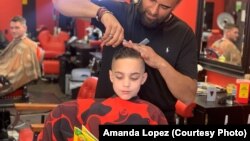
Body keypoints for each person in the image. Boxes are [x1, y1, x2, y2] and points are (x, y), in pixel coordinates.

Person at [52, 0, 198, 124]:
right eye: (151, 0)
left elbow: (188, 95)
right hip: (106, 118)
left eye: (164, 7)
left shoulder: (183, 34)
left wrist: (160, 62)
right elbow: (60, 3)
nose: (154, 11)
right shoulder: (120, 12)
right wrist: (103, 14)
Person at [38, 47, 168, 140]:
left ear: (143, 78)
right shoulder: (72, 111)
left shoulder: (154, 115)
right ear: (111, 76)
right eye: (119, 77)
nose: (126, 84)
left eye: (133, 77)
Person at [0, 16, 44, 95]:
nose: (13, 31)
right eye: (12, 28)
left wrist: (3, 75)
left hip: (8, 79)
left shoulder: (27, 46)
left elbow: (18, 71)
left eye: (17, 28)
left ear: (25, 28)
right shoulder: (16, 41)